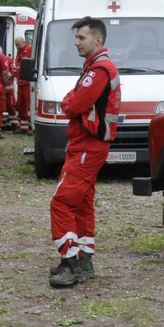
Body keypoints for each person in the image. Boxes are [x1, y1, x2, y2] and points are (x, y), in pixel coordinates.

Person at [48, 16, 120, 288]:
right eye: (76, 37)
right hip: (88, 145)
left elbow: (74, 104)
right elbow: (77, 102)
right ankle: (85, 258)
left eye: (81, 38)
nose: (76, 42)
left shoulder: (99, 69)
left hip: (87, 146)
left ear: (97, 40)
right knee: (81, 202)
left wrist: (70, 101)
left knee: (62, 202)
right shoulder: (95, 67)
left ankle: (71, 263)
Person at [12, 31, 34, 134]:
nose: (17, 46)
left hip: (27, 83)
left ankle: (31, 126)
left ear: (24, 42)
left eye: (18, 44)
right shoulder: (20, 50)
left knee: (28, 105)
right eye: (16, 45)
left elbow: (27, 65)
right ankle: (24, 127)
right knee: (21, 105)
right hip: (21, 82)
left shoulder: (28, 49)